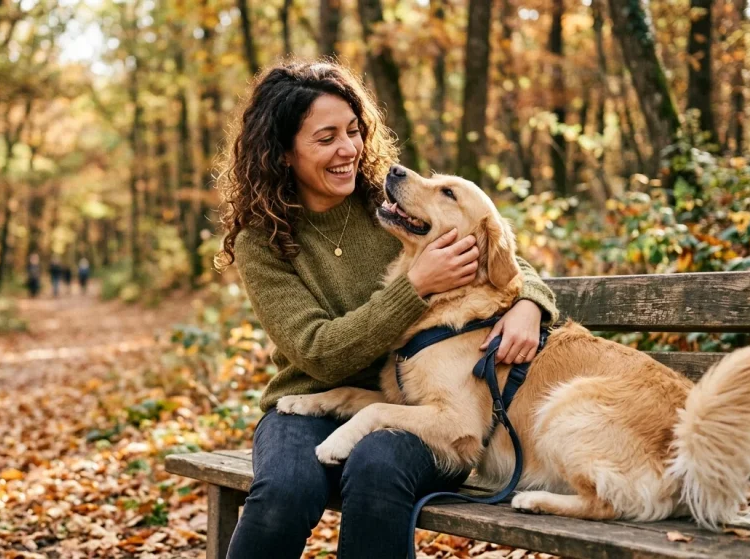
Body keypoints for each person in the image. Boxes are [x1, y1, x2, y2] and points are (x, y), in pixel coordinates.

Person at [214, 61, 560, 559]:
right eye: (326, 137)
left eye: (353, 132)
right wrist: (414, 287)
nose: (348, 150)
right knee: (283, 493)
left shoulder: (389, 200)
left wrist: (530, 301)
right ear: (283, 153)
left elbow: (497, 251)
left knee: (377, 467)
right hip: (310, 399)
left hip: (421, 408)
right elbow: (318, 352)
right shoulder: (263, 241)